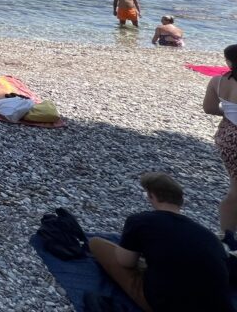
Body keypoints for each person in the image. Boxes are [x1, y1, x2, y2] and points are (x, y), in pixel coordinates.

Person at [88, 172, 234, 312]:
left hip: (166, 303)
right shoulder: (207, 235)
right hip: (216, 306)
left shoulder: (140, 220)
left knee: (96, 243)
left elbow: (125, 262)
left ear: (152, 196)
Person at [203, 43, 237, 249]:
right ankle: (227, 236)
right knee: (235, 191)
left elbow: (209, 108)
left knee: (235, 186)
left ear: (229, 61)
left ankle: (228, 234)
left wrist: (230, 113)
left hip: (227, 136)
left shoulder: (218, 81)